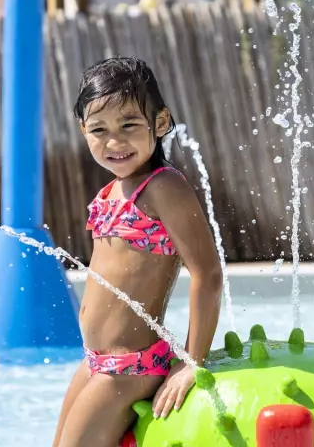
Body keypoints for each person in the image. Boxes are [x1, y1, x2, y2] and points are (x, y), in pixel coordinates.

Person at [52, 57, 224, 447]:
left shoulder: (164, 187)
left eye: (129, 125)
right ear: (83, 130)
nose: (115, 142)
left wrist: (192, 362)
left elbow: (208, 274)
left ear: (160, 123)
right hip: (96, 361)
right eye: (100, 129)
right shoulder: (112, 190)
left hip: (132, 368)